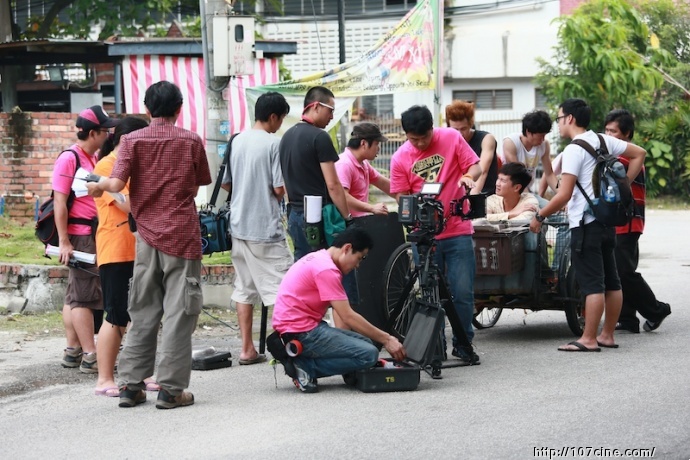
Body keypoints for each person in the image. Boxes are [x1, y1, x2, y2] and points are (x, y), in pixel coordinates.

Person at [87, 81, 212, 409]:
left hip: (144, 237)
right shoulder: (191, 140)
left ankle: (131, 385)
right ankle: (171, 390)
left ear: (146, 109)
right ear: (179, 109)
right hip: (182, 237)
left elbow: (115, 183)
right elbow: (200, 184)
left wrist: (98, 186)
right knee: (179, 311)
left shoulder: (131, 140)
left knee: (141, 309)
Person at [529, 98, 646, 352]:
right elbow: (640, 153)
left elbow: (563, 194)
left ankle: (588, 339)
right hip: (606, 221)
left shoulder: (574, 149)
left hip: (585, 223)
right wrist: (624, 182)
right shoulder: (603, 140)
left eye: (559, 119)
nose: (558, 124)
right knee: (612, 281)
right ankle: (607, 335)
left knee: (593, 284)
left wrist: (539, 216)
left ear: (570, 118)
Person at [389, 105, 482, 364]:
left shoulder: (451, 137)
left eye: (423, 138)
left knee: (462, 293)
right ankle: (436, 346)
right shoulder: (399, 158)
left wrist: (467, 177)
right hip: (424, 236)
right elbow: (400, 195)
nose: (418, 144)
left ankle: (463, 343)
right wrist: (412, 207)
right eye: (412, 139)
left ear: (433, 128)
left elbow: (475, 166)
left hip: (457, 229)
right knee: (430, 294)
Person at [271, 227, 405, 393]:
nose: (358, 265)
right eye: (359, 258)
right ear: (347, 248)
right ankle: (305, 367)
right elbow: (348, 316)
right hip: (300, 332)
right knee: (369, 354)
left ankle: (310, 362)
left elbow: (343, 314)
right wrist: (387, 339)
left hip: (299, 327)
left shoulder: (319, 258)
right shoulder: (327, 270)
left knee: (366, 344)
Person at [220, 92, 293, 365]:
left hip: (238, 225)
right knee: (284, 286)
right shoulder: (274, 144)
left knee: (244, 288)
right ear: (273, 116)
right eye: (281, 119)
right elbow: (277, 188)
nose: (279, 125)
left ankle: (247, 349)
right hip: (265, 227)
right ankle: (285, 346)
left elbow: (227, 183)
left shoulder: (237, 140)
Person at [92, 116, 160, 396]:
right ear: (126, 140)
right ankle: (104, 378)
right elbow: (130, 205)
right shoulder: (106, 166)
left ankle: (140, 374)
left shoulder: (132, 167)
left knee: (141, 315)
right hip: (116, 249)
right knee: (115, 315)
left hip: (139, 248)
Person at [55, 105, 118, 373]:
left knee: (75, 294)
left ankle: (73, 350)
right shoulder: (69, 158)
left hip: (92, 233)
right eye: (105, 131)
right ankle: (91, 355)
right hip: (80, 236)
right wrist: (65, 242)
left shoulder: (91, 158)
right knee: (83, 296)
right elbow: (59, 202)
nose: (109, 135)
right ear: (93, 133)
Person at [604, 109, 671, 333]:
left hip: (628, 222)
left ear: (627, 134)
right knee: (620, 270)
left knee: (624, 272)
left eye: (613, 132)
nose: (608, 135)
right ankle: (627, 318)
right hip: (619, 222)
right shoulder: (619, 156)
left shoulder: (626, 158)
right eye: (606, 131)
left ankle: (656, 309)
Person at [279, 85, 351, 261]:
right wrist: (347, 218)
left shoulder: (286, 137)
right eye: (330, 110)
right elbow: (333, 185)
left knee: (303, 270)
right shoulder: (319, 137)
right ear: (316, 106)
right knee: (329, 267)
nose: (332, 116)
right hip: (318, 217)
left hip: (294, 215)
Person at [334, 122, 394, 310]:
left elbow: (384, 183)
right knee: (352, 284)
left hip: (364, 227)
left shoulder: (363, 164)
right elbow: (342, 196)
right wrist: (371, 208)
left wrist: (406, 195)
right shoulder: (344, 163)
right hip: (350, 227)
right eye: (377, 144)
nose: (379, 149)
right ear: (364, 143)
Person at [446, 100, 499, 196]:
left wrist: (472, 197)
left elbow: (482, 171)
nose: (459, 134)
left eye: (463, 129)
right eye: (455, 130)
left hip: (485, 194)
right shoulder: (448, 141)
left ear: (471, 124)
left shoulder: (486, 139)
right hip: (457, 195)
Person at [503, 110, 558, 198]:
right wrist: (530, 198)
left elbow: (549, 174)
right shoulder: (511, 142)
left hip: (526, 190)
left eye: (544, 135)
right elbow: (517, 176)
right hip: (509, 190)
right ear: (528, 132)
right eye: (540, 136)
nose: (543, 139)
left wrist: (562, 194)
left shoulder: (544, 145)